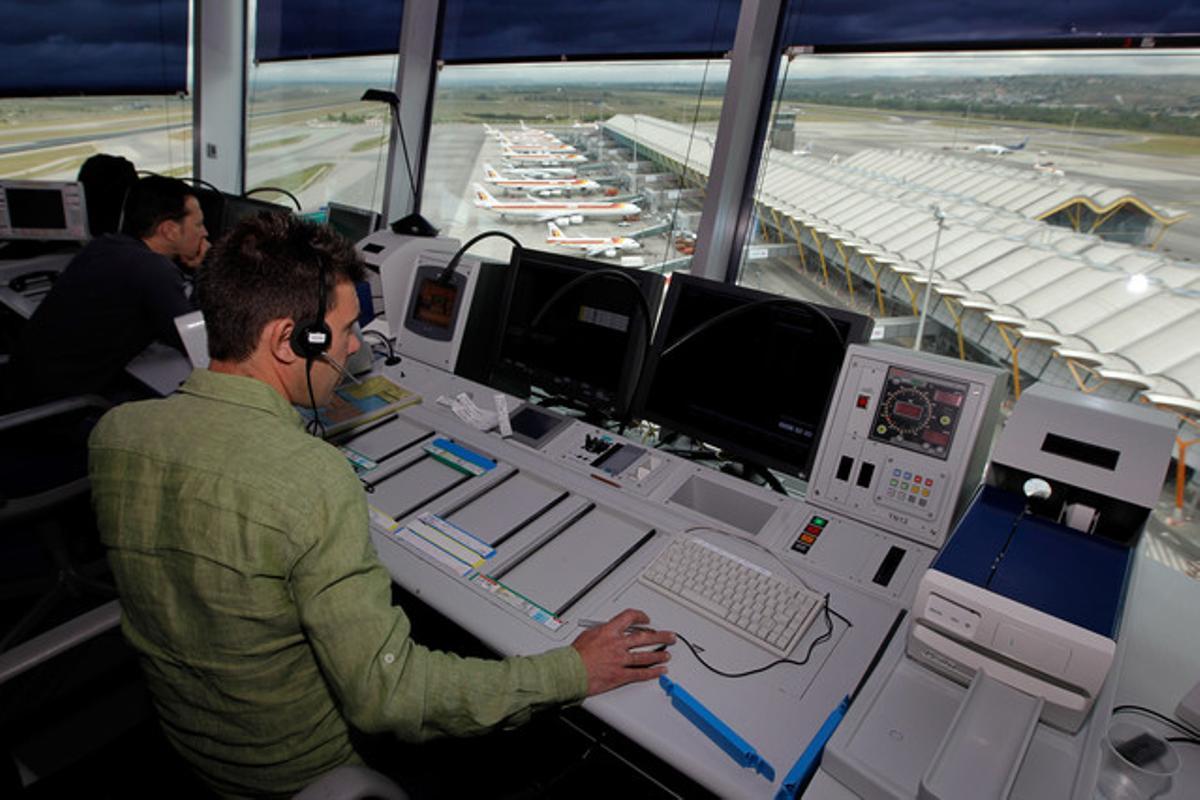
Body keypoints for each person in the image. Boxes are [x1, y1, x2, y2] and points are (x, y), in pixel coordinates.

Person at [87, 211, 674, 798]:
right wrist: (571, 670)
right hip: (300, 772)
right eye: (344, 332)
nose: (353, 348)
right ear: (289, 341)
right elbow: (388, 698)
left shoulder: (116, 431)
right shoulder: (311, 477)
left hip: (193, 742)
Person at [8, 174, 209, 407]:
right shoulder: (152, 270)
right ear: (169, 230)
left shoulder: (104, 246)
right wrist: (205, 271)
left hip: (24, 387)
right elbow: (196, 344)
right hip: (59, 409)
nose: (204, 232)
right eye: (198, 224)